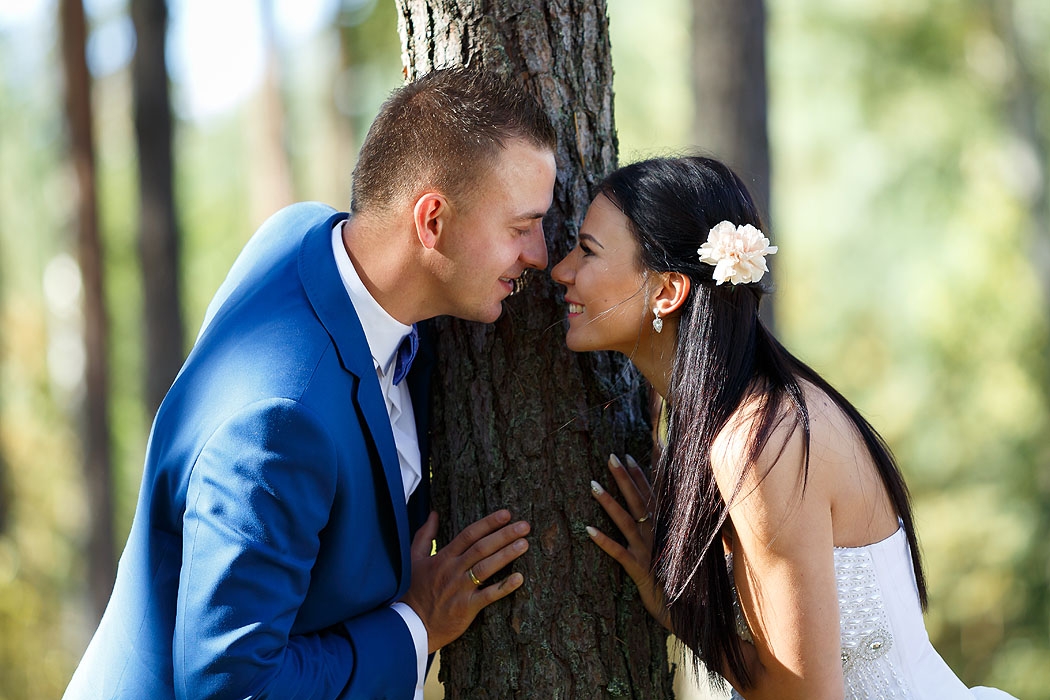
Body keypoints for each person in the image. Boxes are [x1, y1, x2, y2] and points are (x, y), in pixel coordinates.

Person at [63, 67, 557, 700]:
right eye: (521, 227)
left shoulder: (304, 235)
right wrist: (415, 626)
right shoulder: (280, 422)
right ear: (431, 222)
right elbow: (227, 686)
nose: (541, 254)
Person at [551, 155, 1018, 699]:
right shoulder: (734, 415)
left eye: (586, 251)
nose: (561, 270)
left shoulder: (759, 441)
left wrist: (677, 607)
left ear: (666, 292)